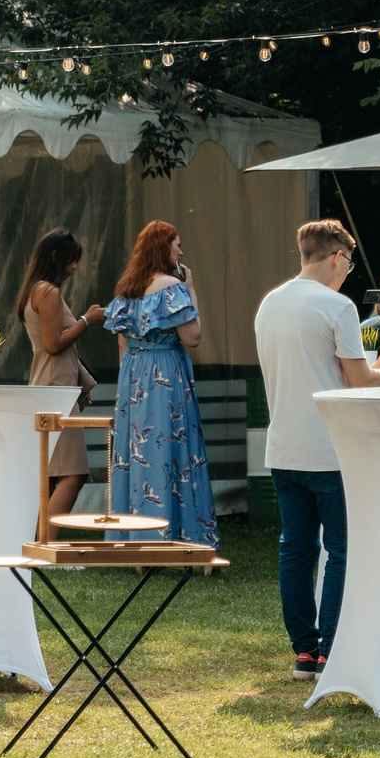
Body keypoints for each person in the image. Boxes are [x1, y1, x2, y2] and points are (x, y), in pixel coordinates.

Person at [254, 220, 380, 680]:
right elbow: (359, 384)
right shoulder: (337, 307)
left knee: (295, 549)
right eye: (349, 262)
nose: (349, 270)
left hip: (282, 447)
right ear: (337, 257)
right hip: (330, 448)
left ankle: (304, 652)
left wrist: (371, 369)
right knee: (340, 549)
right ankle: (331, 650)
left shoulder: (268, 304)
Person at [102, 220, 215, 545]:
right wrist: (191, 290)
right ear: (163, 249)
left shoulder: (128, 288)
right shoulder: (172, 287)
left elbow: (122, 342)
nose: (181, 250)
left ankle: (135, 536)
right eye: (176, 244)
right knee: (173, 449)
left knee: (136, 452)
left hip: (134, 376)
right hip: (164, 374)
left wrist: (130, 390)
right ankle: (179, 538)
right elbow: (193, 337)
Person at [17, 229, 98, 519]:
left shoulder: (37, 289)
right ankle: (45, 546)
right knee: (74, 474)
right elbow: (53, 345)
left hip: (53, 387)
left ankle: (37, 542)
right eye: (70, 260)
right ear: (55, 257)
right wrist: (87, 320)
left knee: (51, 477)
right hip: (55, 392)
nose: (74, 266)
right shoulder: (48, 292)